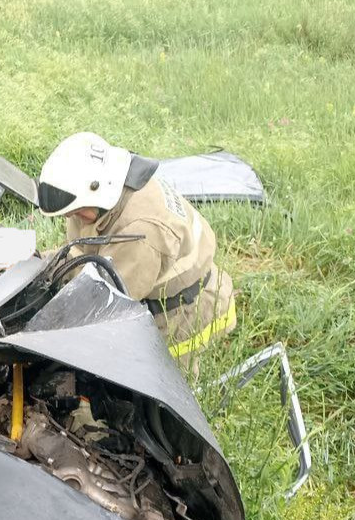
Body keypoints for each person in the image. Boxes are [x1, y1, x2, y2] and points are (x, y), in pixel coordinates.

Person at [36, 132, 236, 357]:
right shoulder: (103, 194)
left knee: (149, 381)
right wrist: (39, 266)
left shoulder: (141, 232)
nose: (71, 216)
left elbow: (106, 302)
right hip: (152, 281)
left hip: (183, 312)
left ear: (100, 190)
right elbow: (81, 251)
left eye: (76, 211)